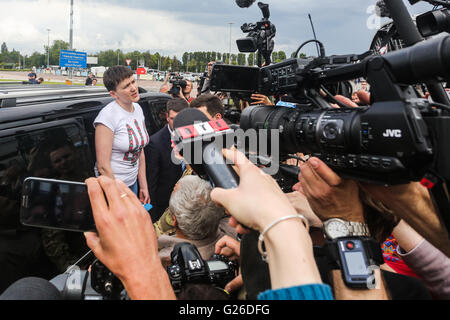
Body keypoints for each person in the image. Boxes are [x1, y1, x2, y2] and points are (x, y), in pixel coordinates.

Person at [93, 65, 150, 203]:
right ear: (113, 94)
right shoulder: (107, 118)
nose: (133, 88)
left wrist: (143, 184)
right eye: (126, 86)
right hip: (114, 187)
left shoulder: (137, 108)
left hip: (132, 182)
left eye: (133, 81)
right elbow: (103, 166)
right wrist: (119, 197)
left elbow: (139, 150)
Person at [157, 175, 237, 266]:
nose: (175, 187)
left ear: (174, 220)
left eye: (174, 191)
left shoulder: (163, 260)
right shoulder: (236, 234)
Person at [145, 98, 189, 222]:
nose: (177, 123)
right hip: (165, 206)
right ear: (167, 117)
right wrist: (152, 214)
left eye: (181, 119)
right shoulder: (155, 143)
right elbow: (151, 182)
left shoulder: (193, 135)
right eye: (173, 119)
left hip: (188, 202)